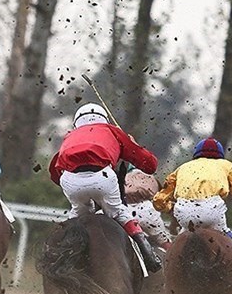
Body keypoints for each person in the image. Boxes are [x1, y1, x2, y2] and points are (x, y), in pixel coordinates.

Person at [48, 102, 162, 273]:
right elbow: (150, 165)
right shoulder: (112, 130)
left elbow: (54, 172)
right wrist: (132, 143)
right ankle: (148, 255)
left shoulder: (70, 136)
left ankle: (57, 257)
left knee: (76, 216)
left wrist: (75, 186)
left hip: (70, 181)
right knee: (119, 212)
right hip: (102, 178)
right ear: (104, 119)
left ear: (77, 122)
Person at [153, 137, 232, 277]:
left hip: (184, 213)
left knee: (181, 238)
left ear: (196, 153)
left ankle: (169, 270)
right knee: (226, 233)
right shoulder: (226, 165)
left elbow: (159, 199)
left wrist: (167, 208)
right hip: (211, 211)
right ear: (220, 154)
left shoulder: (183, 167)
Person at [124, 167, 172, 252]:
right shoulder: (147, 176)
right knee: (168, 246)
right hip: (144, 212)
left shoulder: (120, 174)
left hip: (117, 209)